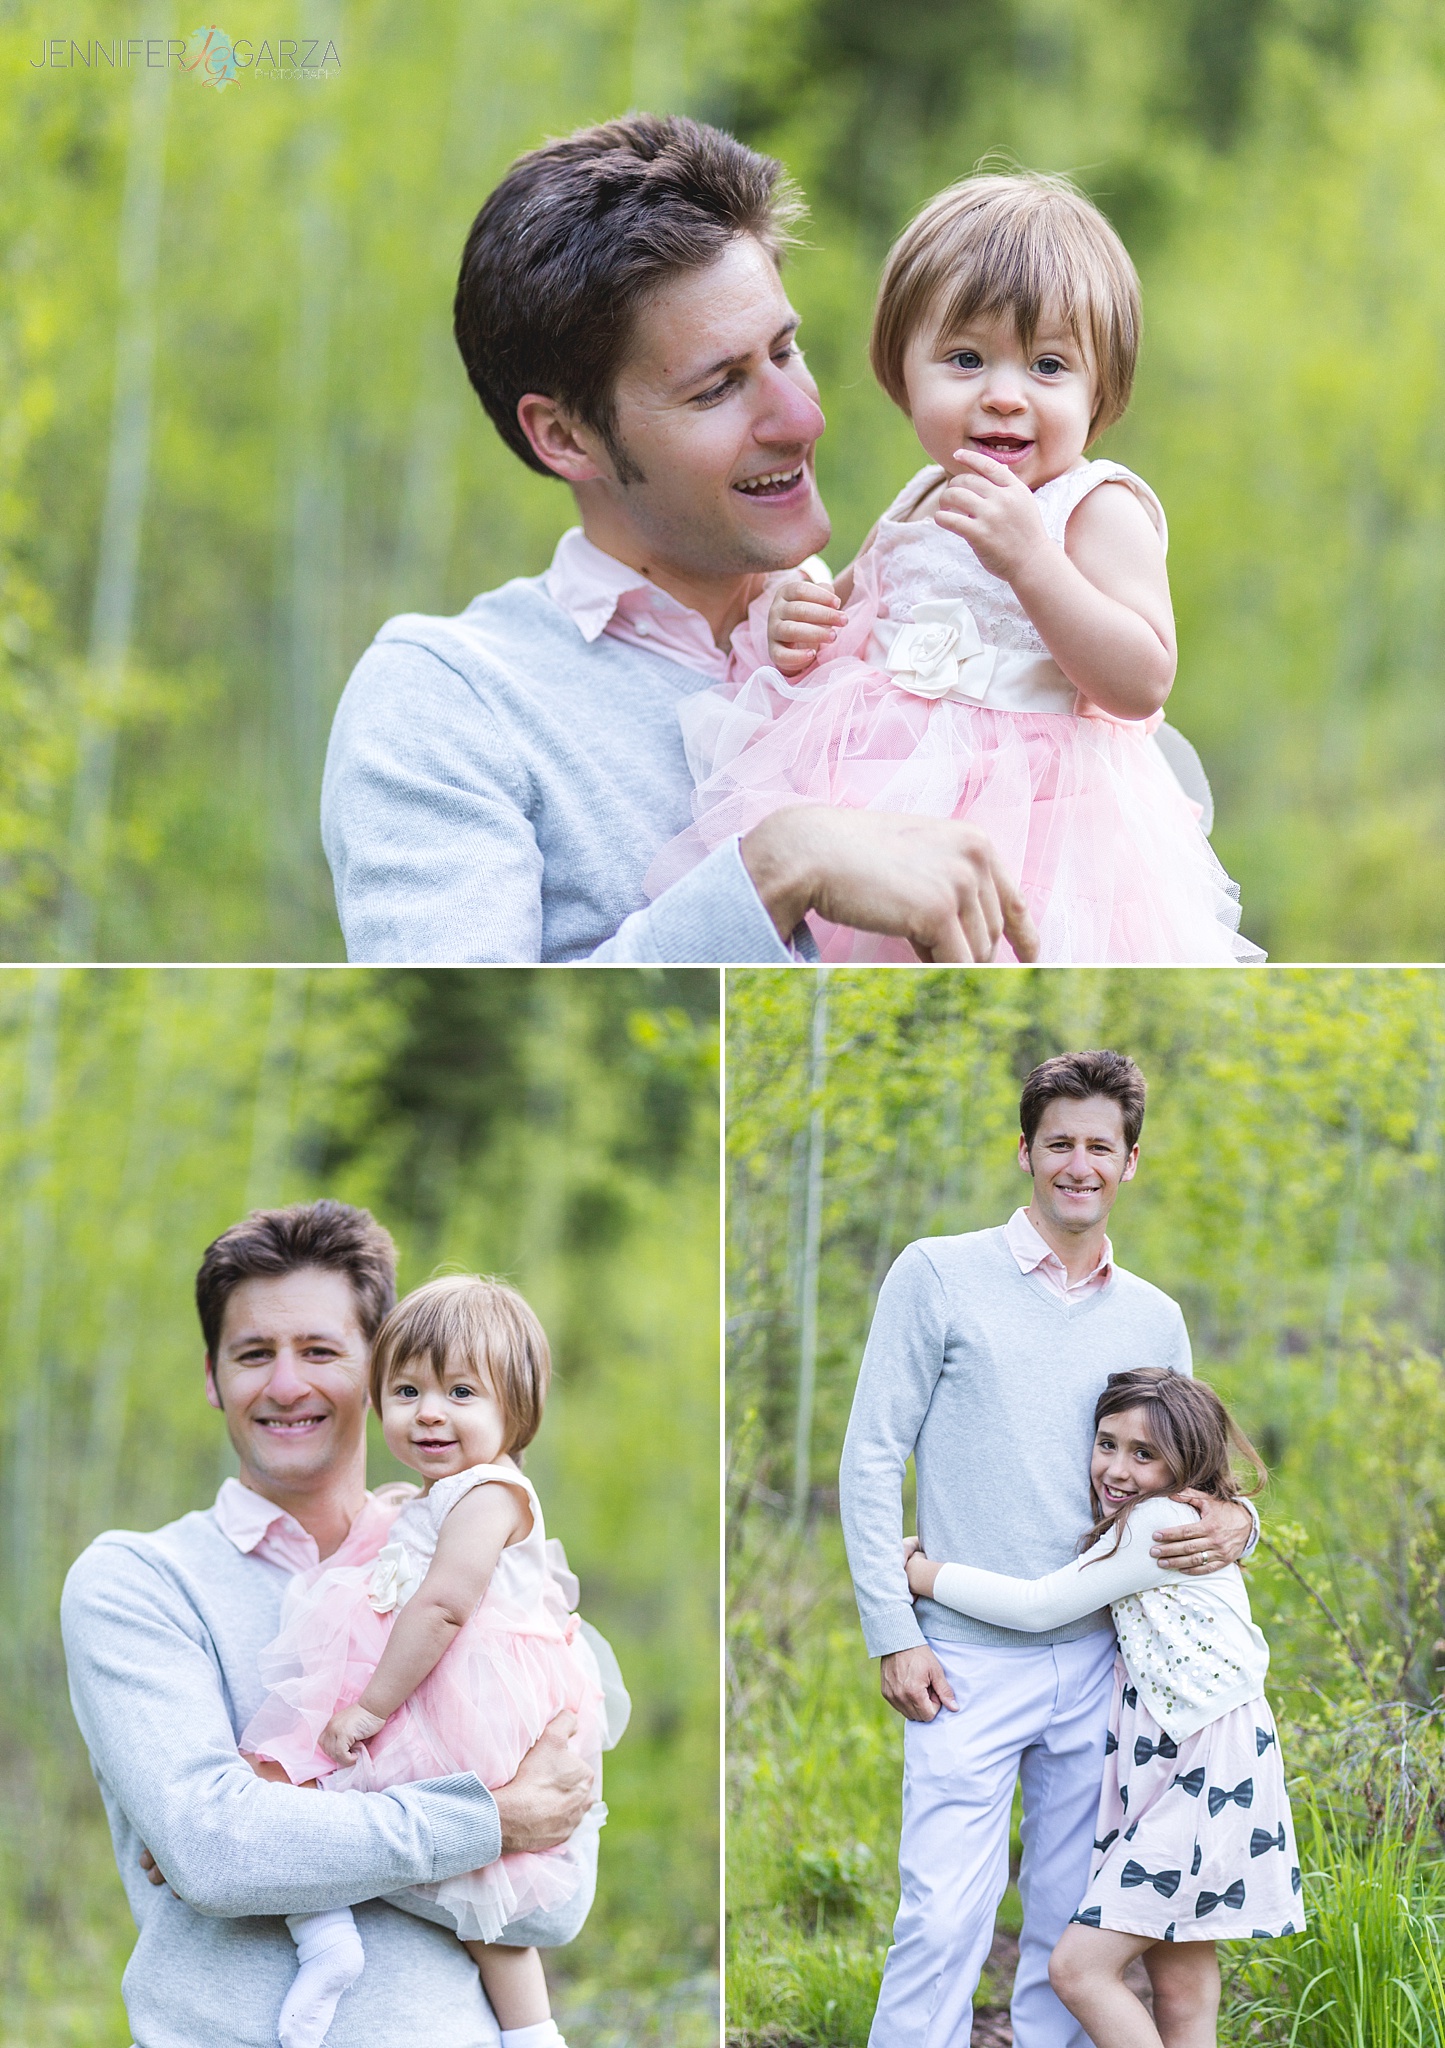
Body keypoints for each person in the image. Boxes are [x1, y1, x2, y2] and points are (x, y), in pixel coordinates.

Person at [320, 115, 1037, 968]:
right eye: (717, 388)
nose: (803, 417)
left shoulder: (916, 617)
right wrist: (779, 865)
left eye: (785, 349)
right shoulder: (449, 701)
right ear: (565, 438)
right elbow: (459, 1023)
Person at [646, 171, 1261, 964]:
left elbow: (1141, 679)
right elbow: (856, 610)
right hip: (875, 791)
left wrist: (1032, 562)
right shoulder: (922, 495)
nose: (1004, 396)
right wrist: (798, 623)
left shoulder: (1093, 506)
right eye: (966, 360)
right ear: (902, 373)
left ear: (1099, 386)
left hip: (1041, 817)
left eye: (1047, 367)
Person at [60, 1202, 596, 2048]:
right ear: (211, 1377)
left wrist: (281, 1822)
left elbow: (558, 1893)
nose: (285, 1385)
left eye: (319, 1351)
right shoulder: (138, 1581)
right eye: (252, 1355)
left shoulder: (484, 1572)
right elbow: (216, 1853)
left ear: (374, 1367)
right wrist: (488, 1821)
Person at [838, 1050, 1260, 2048]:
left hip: (1105, 1666)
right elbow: (867, 1457)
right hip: (960, 1659)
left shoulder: (1152, 1314)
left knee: (1068, 1933)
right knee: (942, 1916)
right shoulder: (936, 1272)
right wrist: (889, 1628)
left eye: (1099, 1146)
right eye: (1059, 1141)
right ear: (1024, 1149)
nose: (1079, 1162)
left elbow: (1190, 1477)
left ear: (1129, 1162)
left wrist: (1242, 1525)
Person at [241, 1276, 616, 2048]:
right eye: (406, 1390)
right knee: (287, 1794)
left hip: (462, 1703)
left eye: (461, 1392)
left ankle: (530, 2030)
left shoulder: (491, 1495)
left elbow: (444, 1606)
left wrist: (371, 1707)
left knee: (470, 1879)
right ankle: (332, 1940)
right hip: (427, 1691)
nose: (430, 1411)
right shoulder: (434, 1497)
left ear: (517, 1408)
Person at [907, 1368, 1301, 2048]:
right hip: (1202, 1753)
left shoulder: (1156, 1524)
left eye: (1143, 1455)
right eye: (1105, 1443)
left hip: (1203, 1764)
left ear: (1186, 1464)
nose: (1116, 1469)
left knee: (1078, 1970)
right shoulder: (1176, 1515)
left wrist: (917, 1573)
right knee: (1179, 1984)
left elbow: (1038, 1608)